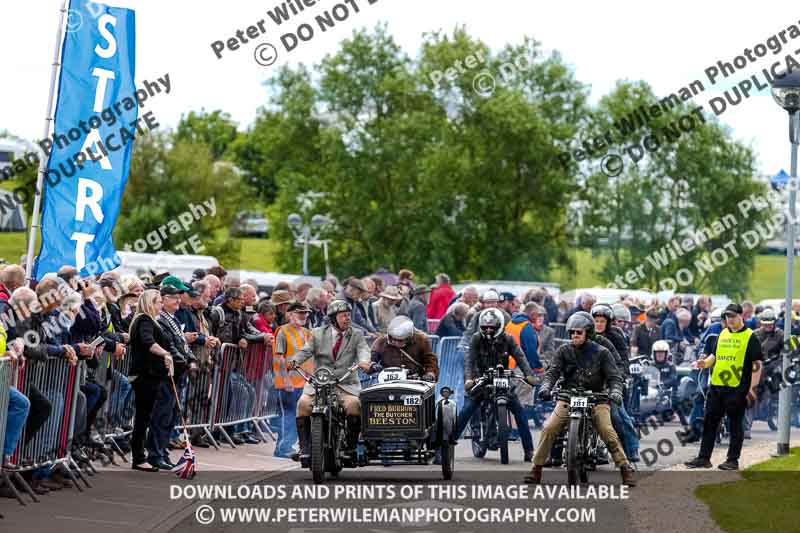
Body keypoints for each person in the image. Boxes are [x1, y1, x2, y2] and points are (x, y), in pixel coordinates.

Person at [524, 312, 635, 486]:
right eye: (572, 333)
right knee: (549, 427)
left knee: (607, 431)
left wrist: (615, 392)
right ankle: (536, 469)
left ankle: (624, 468)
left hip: (597, 398)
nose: (574, 336)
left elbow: (614, 377)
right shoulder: (564, 351)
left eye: (579, 332)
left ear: (588, 333)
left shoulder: (603, 352)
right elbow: (552, 372)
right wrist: (546, 387)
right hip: (568, 396)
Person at [288, 300, 371, 466]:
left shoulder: (357, 334)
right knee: (303, 404)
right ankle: (304, 449)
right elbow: (306, 351)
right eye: (343, 316)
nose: (347, 318)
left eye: (348, 315)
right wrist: (293, 361)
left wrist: (364, 361)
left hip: (345, 384)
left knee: (354, 405)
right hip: (319, 383)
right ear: (333, 318)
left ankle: (350, 448)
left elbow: (363, 349)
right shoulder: (318, 333)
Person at [685, 303, 763, 471]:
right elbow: (715, 356)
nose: (730, 319)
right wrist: (704, 363)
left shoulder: (750, 336)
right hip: (717, 386)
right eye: (727, 316)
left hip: (737, 387)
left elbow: (757, 364)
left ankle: (732, 460)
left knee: (735, 424)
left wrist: (752, 389)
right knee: (710, 422)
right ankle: (704, 458)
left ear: (741, 316)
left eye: (733, 316)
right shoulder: (723, 334)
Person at [455, 309, 538, 462]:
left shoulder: (508, 339)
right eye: (485, 327)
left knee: (519, 412)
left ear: (499, 326)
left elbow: (520, 357)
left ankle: (529, 450)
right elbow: (469, 361)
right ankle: (446, 447)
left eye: (491, 327)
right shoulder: (475, 339)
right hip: (481, 380)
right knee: (467, 409)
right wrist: (469, 379)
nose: (488, 330)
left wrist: (529, 375)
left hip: (503, 379)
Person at [128, 289, 174, 472]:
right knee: (142, 418)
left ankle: (141, 456)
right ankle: (138, 458)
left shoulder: (149, 321)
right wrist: (165, 353)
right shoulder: (144, 320)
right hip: (144, 376)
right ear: (150, 303)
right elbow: (148, 341)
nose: (161, 305)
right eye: (158, 302)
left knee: (144, 418)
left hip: (152, 375)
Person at [591, 305, 639, 463]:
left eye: (601, 321)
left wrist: (618, 378)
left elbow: (623, 360)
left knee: (617, 416)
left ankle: (631, 449)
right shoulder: (585, 334)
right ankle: (555, 454)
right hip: (588, 381)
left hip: (610, 382)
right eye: (595, 320)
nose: (598, 324)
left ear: (608, 322)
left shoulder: (616, 336)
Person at [272, 302, 313, 459]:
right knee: (288, 416)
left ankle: (289, 446)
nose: (303, 316)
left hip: (303, 383)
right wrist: (286, 379)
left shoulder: (306, 332)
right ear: (290, 314)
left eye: (305, 313)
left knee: (297, 417)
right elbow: (280, 357)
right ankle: (283, 448)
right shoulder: (282, 331)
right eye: (299, 313)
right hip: (287, 383)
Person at [370, 316, 438, 380]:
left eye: (400, 340)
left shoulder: (421, 340)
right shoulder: (381, 341)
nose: (395, 342)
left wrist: (430, 374)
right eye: (393, 339)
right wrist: (372, 365)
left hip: (415, 380)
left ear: (409, 337)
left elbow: (430, 360)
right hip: (387, 380)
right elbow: (370, 359)